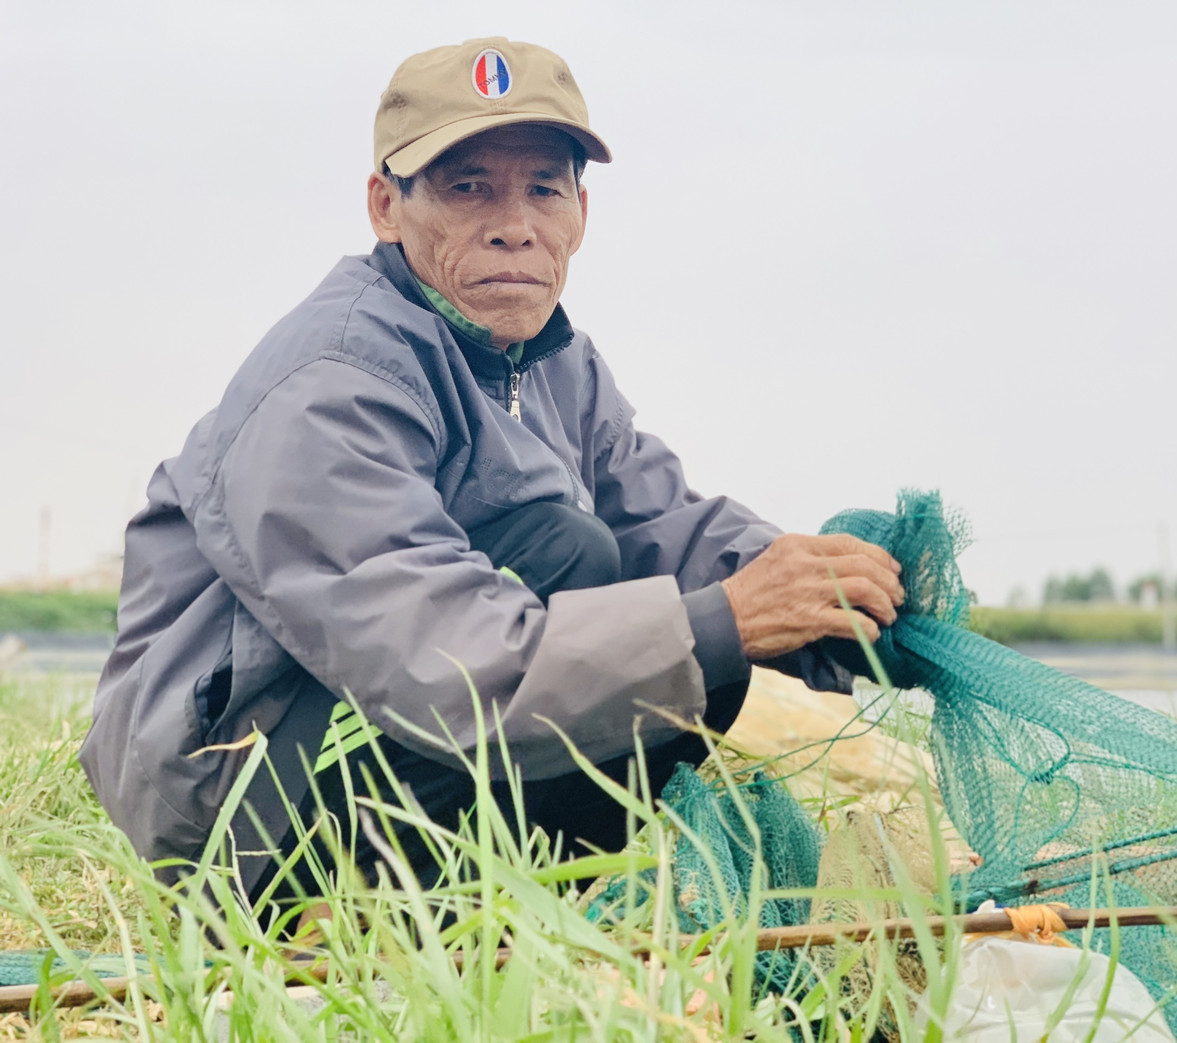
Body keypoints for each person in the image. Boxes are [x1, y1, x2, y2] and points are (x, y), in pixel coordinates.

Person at [80, 37, 903, 907]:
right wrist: (727, 619)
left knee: (667, 614)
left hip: (368, 734)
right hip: (234, 810)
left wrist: (836, 602)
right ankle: (354, 911)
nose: (514, 223)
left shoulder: (553, 362)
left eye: (542, 188)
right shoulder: (329, 382)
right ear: (384, 207)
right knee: (650, 608)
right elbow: (441, 661)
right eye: (467, 185)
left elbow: (665, 527)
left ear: (580, 213)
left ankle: (489, 904)